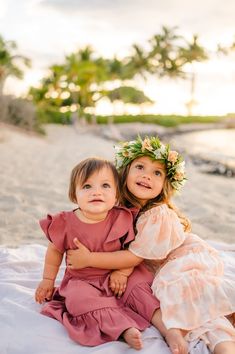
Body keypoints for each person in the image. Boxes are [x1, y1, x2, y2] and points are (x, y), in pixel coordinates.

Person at [66, 136, 235, 354]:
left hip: (181, 258)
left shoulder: (156, 215)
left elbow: (135, 256)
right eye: (140, 167)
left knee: (190, 301)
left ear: (164, 185)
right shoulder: (117, 205)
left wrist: (99, 263)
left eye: (157, 173)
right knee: (196, 309)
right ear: (125, 171)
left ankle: (225, 341)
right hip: (160, 262)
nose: (147, 175)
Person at [35, 157, 186, 352]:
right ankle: (124, 329)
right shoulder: (65, 222)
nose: (96, 192)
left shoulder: (121, 217)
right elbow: (54, 250)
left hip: (119, 274)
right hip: (82, 279)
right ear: (74, 194)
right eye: (87, 186)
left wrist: (123, 273)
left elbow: (132, 249)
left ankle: (169, 330)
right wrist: (48, 280)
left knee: (140, 289)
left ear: (116, 194)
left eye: (105, 186)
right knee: (78, 299)